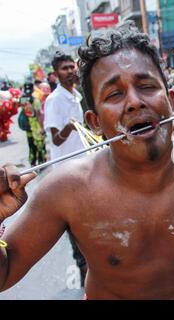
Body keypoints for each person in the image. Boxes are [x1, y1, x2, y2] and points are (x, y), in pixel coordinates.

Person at [0, 22, 174, 300]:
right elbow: (6, 272)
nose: (134, 102)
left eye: (146, 86)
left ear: (169, 100)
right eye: (114, 94)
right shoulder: (67, 190)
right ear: (95, 122)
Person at [43, 51, 87, 286]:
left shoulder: (75, 95)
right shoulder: (54, 100)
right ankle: (83, 274)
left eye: (72, 67)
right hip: (65, 174)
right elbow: (56, 140)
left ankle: (89, 272)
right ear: (56, 73)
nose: (70, 71)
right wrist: (69, 128)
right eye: (64, 68)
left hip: (83, 169)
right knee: (74, 226)